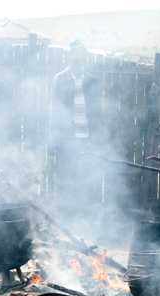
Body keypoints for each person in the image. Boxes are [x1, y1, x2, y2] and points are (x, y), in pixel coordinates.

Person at [50, 38, 104, 211]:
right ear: (70, 56)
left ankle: (81, 212)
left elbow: (96, 111)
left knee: (84, 177)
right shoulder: (60, 79)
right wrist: (56, 140)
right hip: (67, 138)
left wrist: (97, 137)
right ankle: (65, 213)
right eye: (77, 54)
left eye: (83, 54)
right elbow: (55, 110)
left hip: (86, 138)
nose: (79, 58)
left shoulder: (90, 80)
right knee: (65, 176)